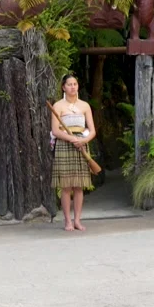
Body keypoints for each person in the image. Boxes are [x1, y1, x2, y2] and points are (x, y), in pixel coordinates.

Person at [51, 74, 96, 232]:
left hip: (81, 146)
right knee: (66, 186)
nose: (72, 87)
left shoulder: (84, 106)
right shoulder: (58, 106)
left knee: (78, 186)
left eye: (75, 84)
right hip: (64, 146)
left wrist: (83, 141)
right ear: (63, 87)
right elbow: (56, 131)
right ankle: (67, 221)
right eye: (69, 84)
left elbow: (92, 130)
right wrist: (71, 138)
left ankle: (77, 220)